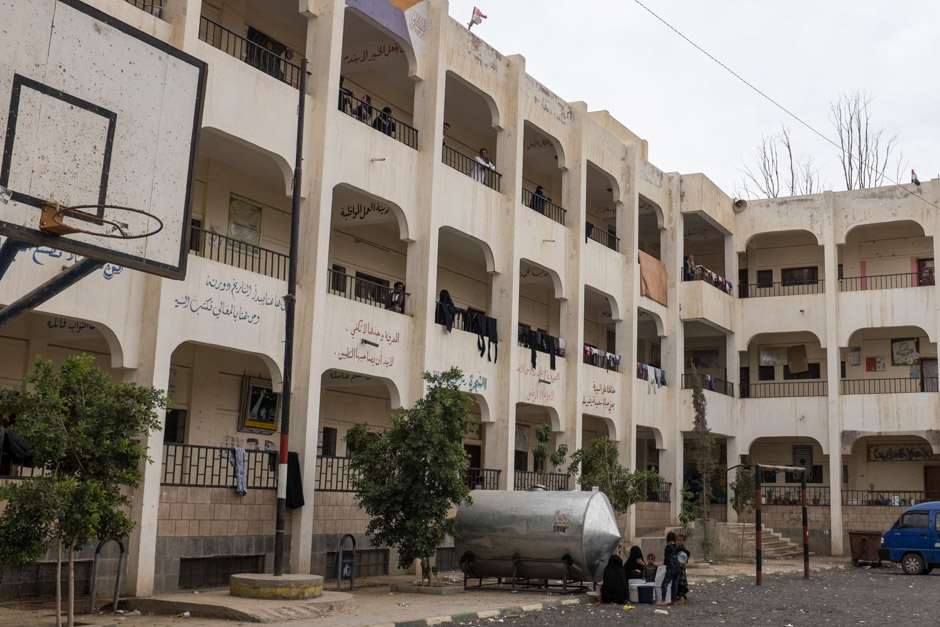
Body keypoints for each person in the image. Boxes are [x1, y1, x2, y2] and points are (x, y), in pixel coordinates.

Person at [657, 531, 681, 606]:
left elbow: (666, 558)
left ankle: (663, 600)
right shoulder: (678, 547)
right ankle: (673, 600)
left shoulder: (668, 547)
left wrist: (664, 565)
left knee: (665, 583)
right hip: (677, 568)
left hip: (671, 568)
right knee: (675, 584)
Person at [676, 534, 691, 604]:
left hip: (681, 569)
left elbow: (686, 560)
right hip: (676, 568)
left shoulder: (684, 550)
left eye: (680, 540)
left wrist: (682, 563)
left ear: (683, 541)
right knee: (677, 583)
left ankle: (681, 598)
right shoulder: (675, 548)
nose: (679, 542)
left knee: (681, 583)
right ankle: (680, 596)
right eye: (678, 540)